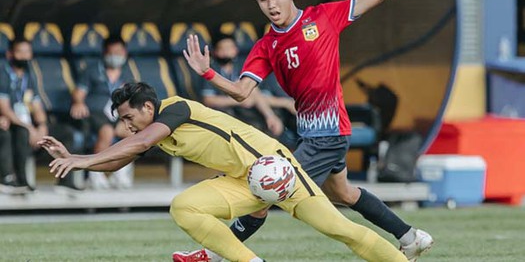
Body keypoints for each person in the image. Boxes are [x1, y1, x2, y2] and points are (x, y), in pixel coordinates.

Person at [182, 0, 433, 261]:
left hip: (329, 134)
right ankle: (410, 236)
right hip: (310, 134)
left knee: (264, 191)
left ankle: (212, 255)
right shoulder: (266, 45)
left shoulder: (325, 17)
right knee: (342, 193)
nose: (271, 4)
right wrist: (208, 74)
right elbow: (243, 92)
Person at [39, 82, 408, 262]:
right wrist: (74, 155)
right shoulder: (153, 129)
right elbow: (120, 159)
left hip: (275, 168)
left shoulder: (175, 108)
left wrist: (82, 161)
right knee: (184, 207)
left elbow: (134, 144)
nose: (127, 125)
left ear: (148, 107)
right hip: (243, 181)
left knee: (340, 229)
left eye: (129, 117)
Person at [0, 39, 78, 192]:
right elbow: (5, 108)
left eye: (27, 52)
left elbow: (37, 106)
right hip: (14, 124)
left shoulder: (29, 76)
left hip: (29, 125)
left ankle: (65, 182)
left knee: (65, 133)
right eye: (20, 52)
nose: (24, 56)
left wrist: (42, 127)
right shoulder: (3, 73)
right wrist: (30, 128)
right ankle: (20, 181)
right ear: (10, 54)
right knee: (22, 132)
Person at [70, 36, 135, 189]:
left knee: (131, 132)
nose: (115, 56)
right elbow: (78, 93)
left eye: (119, 52)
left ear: (125, 52)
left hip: (117, 113)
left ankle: (121, 171)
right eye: (112, 52)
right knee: (106, 131)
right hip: (95, 113)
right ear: (105, 53)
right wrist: (78, 103)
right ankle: (95, 173)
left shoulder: (127, 74)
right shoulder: (92, 71)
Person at [201, 33, 290, 137]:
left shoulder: (241, 66)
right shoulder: (210, 69)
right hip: (226, 112)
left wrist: (270, 116)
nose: (226, 51)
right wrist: (239, 99)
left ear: (236, 50)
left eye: (230, 48)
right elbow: (208, 100)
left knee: (269, 118)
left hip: (246, 110)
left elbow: (254, 93)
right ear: (215, 52)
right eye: (222, 48)